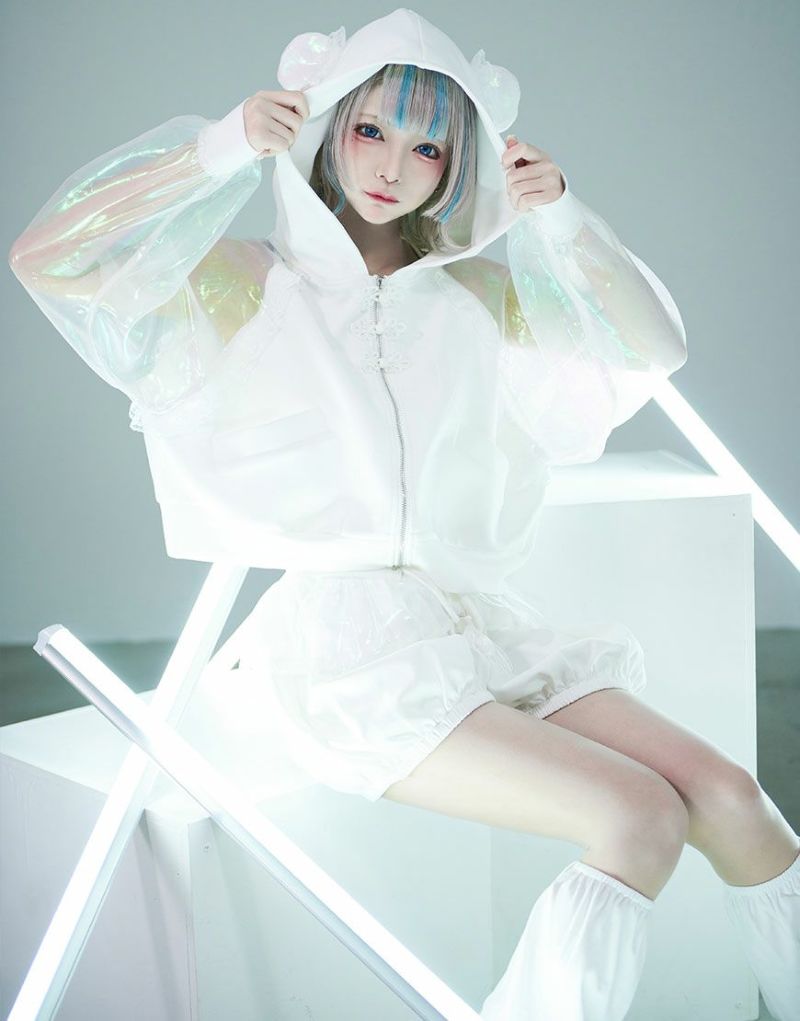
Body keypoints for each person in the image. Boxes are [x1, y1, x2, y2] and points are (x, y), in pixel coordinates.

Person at [8, 8, 799, 1019]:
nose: (392, 166)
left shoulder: (473, 294)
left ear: (457, 165)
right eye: (370, 129)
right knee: (637, 816)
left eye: (427, 146)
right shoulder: (250, 284)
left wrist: (561, 218)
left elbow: (647, 348)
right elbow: (53, 259)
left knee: (730, 795)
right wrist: (216, 150)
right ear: (326, 127)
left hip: (475, 623)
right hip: (345, 651)